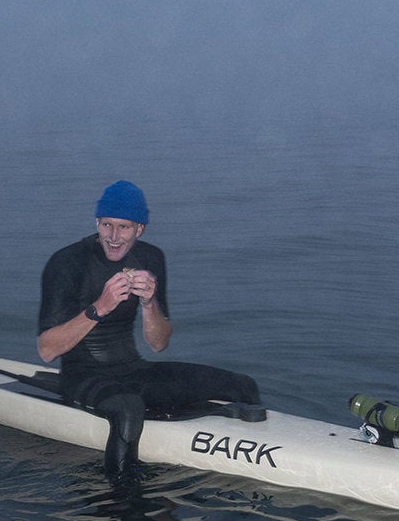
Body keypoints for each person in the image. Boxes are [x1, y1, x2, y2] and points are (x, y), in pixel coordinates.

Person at [38, 180, 264, 481]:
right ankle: (119, 499)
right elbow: (46, 350)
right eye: (107, 225)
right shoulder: (67, 263)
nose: (114, 237)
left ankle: (254, 464)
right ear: (97, 223)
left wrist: (148, 303)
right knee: (128, 409)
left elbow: (158, 344)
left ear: (139, 229)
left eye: (124, 227)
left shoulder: (150, 258)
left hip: (133, 370)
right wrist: (99, 308)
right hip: (81, 375)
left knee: (242, 385)